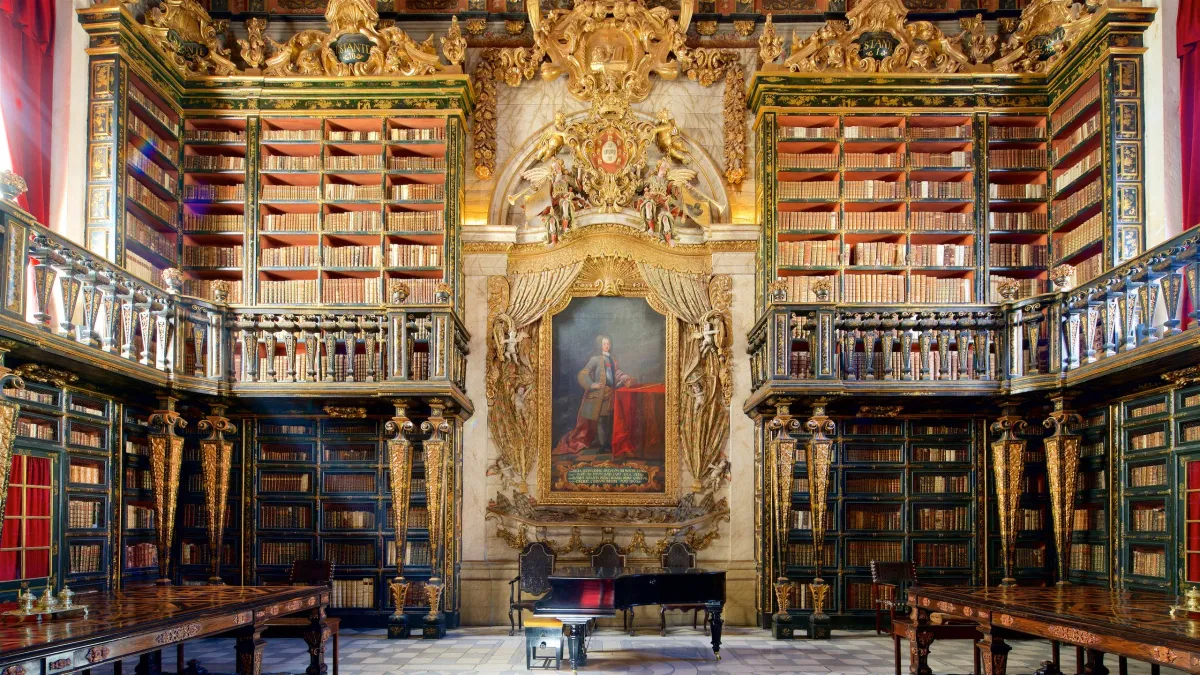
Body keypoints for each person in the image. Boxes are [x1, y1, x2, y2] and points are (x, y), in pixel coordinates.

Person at [553, 334, 635, 455]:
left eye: (608, 344)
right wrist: (592, 385)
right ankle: (603, 445)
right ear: (600, 345)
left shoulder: (613, 359)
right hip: (600, 396)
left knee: (611, 419)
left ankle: (610, 442)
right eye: (604, 344)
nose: (607, 346)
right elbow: (583, 374)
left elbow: (617, 373)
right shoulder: (595, 359)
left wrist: (625, 378)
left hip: (611, 394)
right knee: (602, 420)